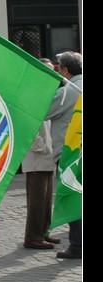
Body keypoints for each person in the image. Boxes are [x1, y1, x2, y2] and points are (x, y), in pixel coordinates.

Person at [46, 51, 83, 260]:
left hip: (71, 155)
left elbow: (44, 111)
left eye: (59, 67)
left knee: (72, 199)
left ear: (66, 70)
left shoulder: (70, 90)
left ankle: (77, 246)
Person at [21, 118, 57, 250]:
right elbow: (29, 133)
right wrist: (45, 147)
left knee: (46, 202)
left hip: (47, 160)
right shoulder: (32, 108)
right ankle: (33, 237)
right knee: (37, 203)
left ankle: (43, 232)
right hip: (36, 162)